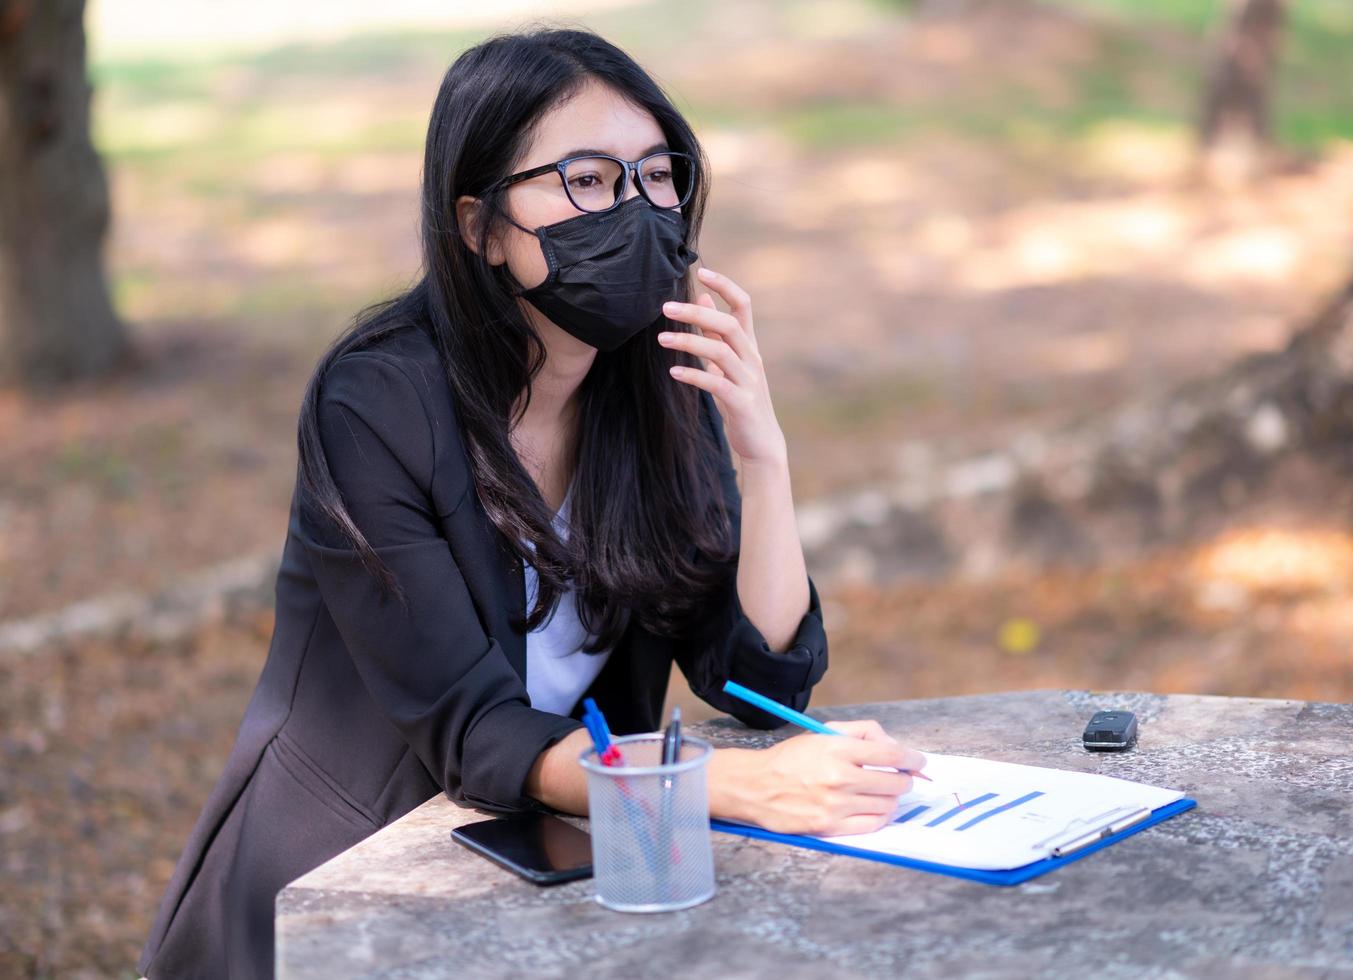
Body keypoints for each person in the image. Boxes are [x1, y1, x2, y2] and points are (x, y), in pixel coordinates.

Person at [136, 27, 926, 979]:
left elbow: (754, 677)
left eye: (655, 175)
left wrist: (764, 453)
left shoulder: (660, 384)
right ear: (481, 229)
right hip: (338, 887)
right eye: (587, 180)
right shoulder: (375, 404)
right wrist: (742, 788)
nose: (634, 211)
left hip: (556, 865)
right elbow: (473, 732)